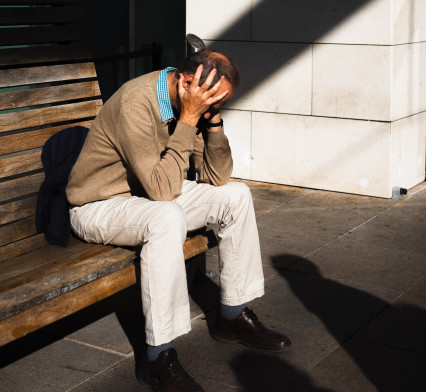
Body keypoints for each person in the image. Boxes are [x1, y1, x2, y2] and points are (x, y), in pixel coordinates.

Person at [66, 50, 291, 392]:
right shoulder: (137, 102)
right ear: (187, 83)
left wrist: (212, 122)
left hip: (147, 192)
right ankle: (158, 356)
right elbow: (160, 191)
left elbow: (218, 176)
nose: (215, 105)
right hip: (100, 203)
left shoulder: (190, 101)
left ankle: (231, 318)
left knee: (236, 196)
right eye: (215, 99)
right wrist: (189, 119)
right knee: (167, 216)